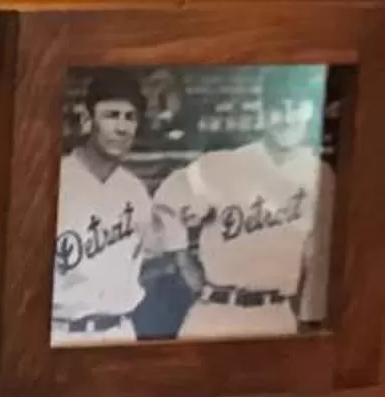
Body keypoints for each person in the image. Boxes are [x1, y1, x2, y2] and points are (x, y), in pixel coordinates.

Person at [152, 66, 331, 339]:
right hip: (217, 310)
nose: (287, 118)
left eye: (296, 107)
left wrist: (309, 321)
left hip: (276, 315)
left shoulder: (320, 175)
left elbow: (318, 255)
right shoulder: (222, 164)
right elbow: (166, 201)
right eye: (277, 108)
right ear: (263, 112)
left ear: (310, 110)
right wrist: (183, 260)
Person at [50, 68, 151, 344]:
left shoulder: (135, 191)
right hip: (61, 332)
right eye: (111, 115)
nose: (122, 127)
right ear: (87, 119)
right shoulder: (54, 180)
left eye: (130, 118)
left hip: (120, 331)